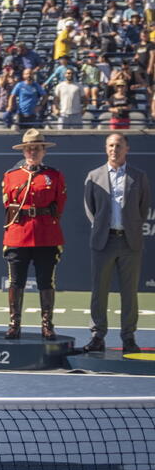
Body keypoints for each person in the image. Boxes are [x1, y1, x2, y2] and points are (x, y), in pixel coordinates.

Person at [83, 134, 151, 354]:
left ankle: (128, 337)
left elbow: (143, 208)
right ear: (106, 149)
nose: (114, 149)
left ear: (127, 149)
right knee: (99, 291)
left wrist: (129, 227)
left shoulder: (139, 177)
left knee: (129, 293)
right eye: (111, 145)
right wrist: (102, 228)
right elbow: (89, 208)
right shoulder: (94, 176)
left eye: (118, 145)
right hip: (103, 241)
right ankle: (97, 336)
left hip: (130, 242)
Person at [1, 130, 66, 340]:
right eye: (28, 148)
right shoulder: (11, 176)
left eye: (37, 148)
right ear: (24, 151)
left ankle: (47, 325)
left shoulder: (54, 176)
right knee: (16, 282)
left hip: (46, 235)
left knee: (46, 282)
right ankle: (14, 324)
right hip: (18, 234)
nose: (32, 152)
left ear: (44, 151)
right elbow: (7, 204)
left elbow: (60, 205)